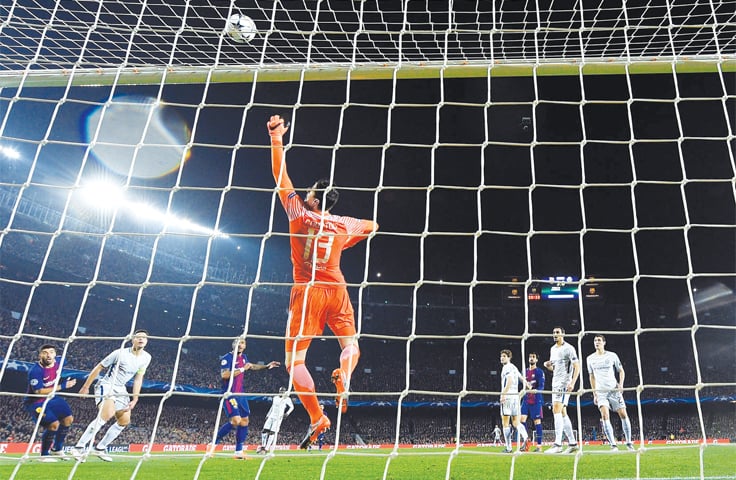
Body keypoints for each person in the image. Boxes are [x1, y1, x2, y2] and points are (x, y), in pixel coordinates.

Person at [267, 115, 379, 449]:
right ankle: (345, 376)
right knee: (351, 346)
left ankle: (317, 416)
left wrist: (276, 138)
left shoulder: (298, 213)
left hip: (307, 291)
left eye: (309, 192)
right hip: (338, 290)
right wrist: (346, 238)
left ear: (315, 200)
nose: (304, 193)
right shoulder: (344, 224)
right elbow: (373, 225)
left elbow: (279, 176)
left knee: (294, 362)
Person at [72, 330, 151, 462]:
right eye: (138, 337)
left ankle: (100, 448)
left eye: (144, 338)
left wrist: (135, 398)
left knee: (124, 421)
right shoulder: (119, 353)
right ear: (133, 339)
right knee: (107, 414)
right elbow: (99, 367)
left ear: (147, 341)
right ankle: (79, 448)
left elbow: (138, 379)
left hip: (121, 389)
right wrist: (86, 387)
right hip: (107, 385)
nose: (141, 339)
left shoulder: (147, 357)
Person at [210, 338, 280, 459]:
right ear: (233, 345)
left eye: (243, 343)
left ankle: (238, 451)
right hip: (229, 393)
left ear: (245, 346)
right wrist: (242, 369)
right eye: (238, 342)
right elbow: (224, 375)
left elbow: (251, 366)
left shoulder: (244, 358)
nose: (240, 344)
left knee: (245, 421)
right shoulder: (227, 358)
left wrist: (267, 366)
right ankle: (213, 444)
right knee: (236, 420)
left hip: (240, 395)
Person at [23, 344, 77, 462]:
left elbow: (65, 359)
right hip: (36, 402)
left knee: (68, 419)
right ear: (40, 355)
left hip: (52, 398)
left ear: (55, 355)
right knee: (54, 424)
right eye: (45, 352)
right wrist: (63, 385)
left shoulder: (59, 361)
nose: (48, 355)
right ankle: (44, 455)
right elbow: (39, 391)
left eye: (51, 352)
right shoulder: (35, 371)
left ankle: (57, 449)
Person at [586, 334, 635, 451]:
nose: (596, 342)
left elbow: (621, 371)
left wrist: (621, 384)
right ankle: (613, 445)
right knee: (604, 416)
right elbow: (591, 376)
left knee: (623, 414)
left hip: (613, 390)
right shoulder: (590, 358)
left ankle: (629, 443)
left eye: (599, 340)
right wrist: (594, 393)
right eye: (595, 340)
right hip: (601, 392)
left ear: (604, 342)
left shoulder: (612, 356)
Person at [543, 326, 581, 454]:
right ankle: (573, 443)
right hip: (555, 383)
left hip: (565, 383)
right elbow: (555, 368)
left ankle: (558, 444)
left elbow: (577, 366)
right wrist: (549, 366)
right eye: (553, 332)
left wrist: (573, 382)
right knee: (563, 412)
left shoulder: (569, 348)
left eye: (557, 333)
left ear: (563, 334)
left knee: (556, 410)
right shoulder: (552, 349)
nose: (555, 334)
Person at [499, 349, 530, 453]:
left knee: (505, 423)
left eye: (504, 356)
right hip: (516, 397)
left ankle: (508, 448)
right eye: (501, 356)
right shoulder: (514, 367)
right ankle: (525, 437)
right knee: (516, 422)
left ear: (509, 357)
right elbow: (521, 377)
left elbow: (510, 380)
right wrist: (527, 384)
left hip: (507, 397)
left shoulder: (506, 367)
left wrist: (503, 394)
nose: (502, 358)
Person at [520, 351, 545, 452]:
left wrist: (536, 390)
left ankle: (539, 446)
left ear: (537, 360)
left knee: (537, 422)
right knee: (521, 420)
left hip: (536, 400)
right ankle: (527, 440)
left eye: (533, 357)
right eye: (530, 356)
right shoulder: (524, 372)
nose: (531, 358)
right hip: (526, 399)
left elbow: (542, 386)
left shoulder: (539, 372)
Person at [257, 387, 295, 454]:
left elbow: (292, 407)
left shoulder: (287, 399)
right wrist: (268, 415)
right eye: (280, 391)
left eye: (283, 391)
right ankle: (263, 446)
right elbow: (272, 407)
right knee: (264, 431)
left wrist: (287, 413)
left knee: (272, 432)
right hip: (271, 416)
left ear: (285, 392)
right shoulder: (275, 398)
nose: (281, 392)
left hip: (278, 418)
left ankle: (266, 448)